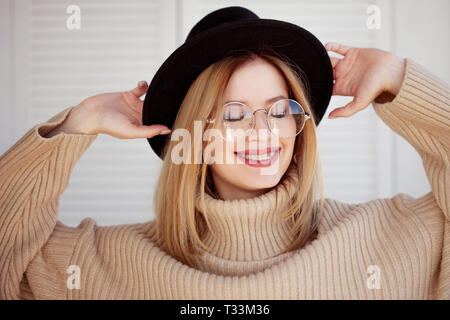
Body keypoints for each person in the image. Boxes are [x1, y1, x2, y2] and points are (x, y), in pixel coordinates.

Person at [0, 7, 448, 300]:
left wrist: (400, 81)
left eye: (279, 109)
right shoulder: (102, 265)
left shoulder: (387, 241)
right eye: (232, 115)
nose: (263, 131)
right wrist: (73, 127)